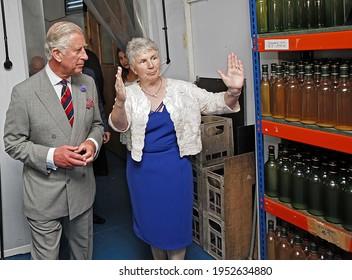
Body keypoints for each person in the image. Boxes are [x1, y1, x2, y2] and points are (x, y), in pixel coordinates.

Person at [109, 37, 244, 260]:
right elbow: (119, 125)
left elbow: (216, 103)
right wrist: (120, 103)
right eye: (143, 61)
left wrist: (234, 91)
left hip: (175, 167)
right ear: (132, 67)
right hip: (142, 170)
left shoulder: (182, 90)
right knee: (153, 225)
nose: (151, 65)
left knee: (176, 225)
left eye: (154, 57)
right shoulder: (129, 94)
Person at [3, 21, 104, 260]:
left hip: (82, 190)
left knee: (83, 258)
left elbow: (97, 125)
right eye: (78, 50)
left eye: (85, 48)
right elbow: (13, 143)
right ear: (57, 54)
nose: (85, 56)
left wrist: (93, 143)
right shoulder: (24, 92)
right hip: (44, 195)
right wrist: (51, 156)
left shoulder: (87, 83)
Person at [83, 48, 111, 224]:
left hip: (89, 133)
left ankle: (88, 211)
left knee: (88, 175)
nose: (85, 57)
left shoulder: (89, 75)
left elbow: (98, 103)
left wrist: (104, 127)